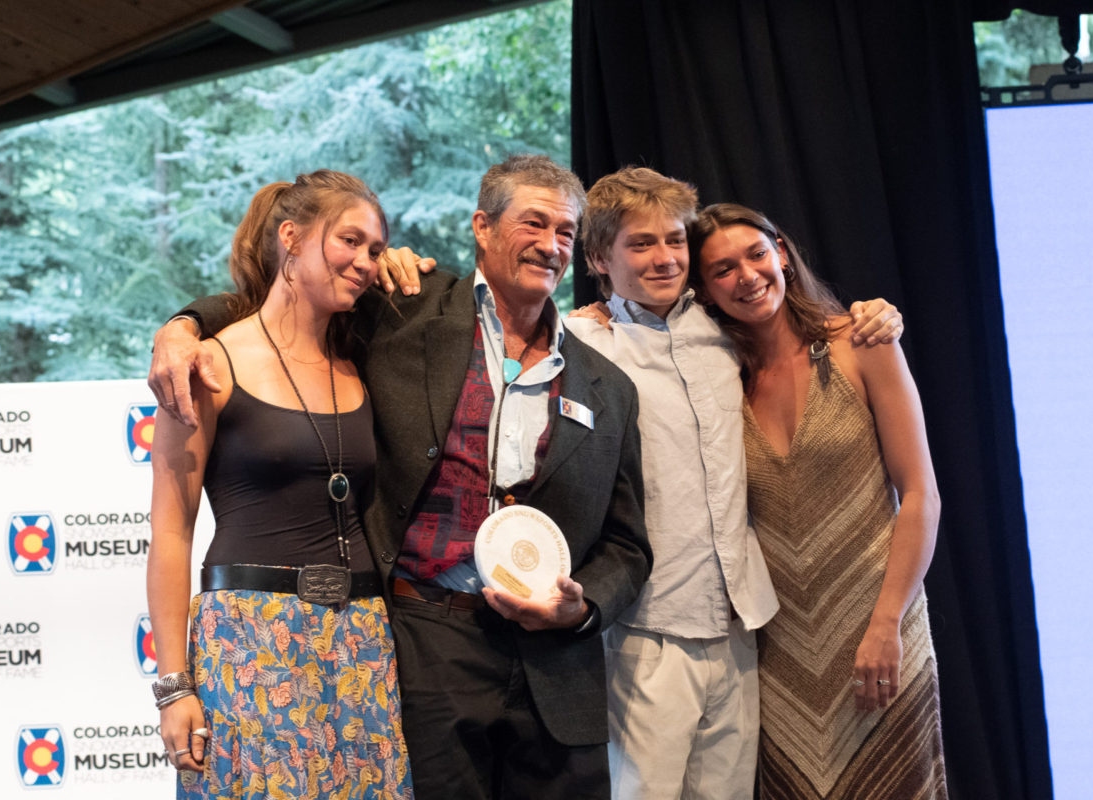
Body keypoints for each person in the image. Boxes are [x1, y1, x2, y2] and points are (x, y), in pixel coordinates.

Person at [149, 154, 652, 800]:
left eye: (565, 232)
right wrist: (182, 325)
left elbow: (629, 545)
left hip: (550, 672)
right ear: (483, 227)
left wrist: (583, 606)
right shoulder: (405, 311)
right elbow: (283, 302)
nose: (551, 245)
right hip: (421, 644)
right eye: (534, 223)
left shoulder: (611, 388)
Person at [567, 168, 901, 800]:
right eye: (641, 244)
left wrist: (878, 314)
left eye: (674, 240)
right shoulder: (580, 343)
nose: (664, 257)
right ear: (598, 260)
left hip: (742, 626)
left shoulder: (726, 331)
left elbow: (803, 328)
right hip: (648, 627)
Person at [147, 170, 413, 799]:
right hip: (248, 642)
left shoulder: (362, 360)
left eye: (377, 249)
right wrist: (174, 687)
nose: (366, 261)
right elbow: (170, 530)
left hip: (362, 641)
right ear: (291, 237)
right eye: (350, 240)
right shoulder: (208, 363)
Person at [688, 203, 947, 799]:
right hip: (779, 656)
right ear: (703, 289)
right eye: (723, 269)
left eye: (756, 254)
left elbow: (921, 495)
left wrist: (887, 625)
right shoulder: (718, 379)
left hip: (883, 629)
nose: (748, 276)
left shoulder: (863, 342)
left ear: (782, 253)